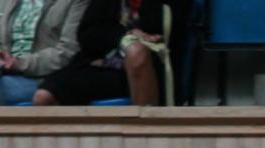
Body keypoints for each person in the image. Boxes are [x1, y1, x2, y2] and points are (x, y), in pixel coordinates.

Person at [32, 0, 168, 106]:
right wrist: (126, 34)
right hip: (100, 63)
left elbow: (168, 31)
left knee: (136, 53)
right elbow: (87, 35)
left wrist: (143, 37)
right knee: (43, 97)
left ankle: (145, 135)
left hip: (145, 68)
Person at [0, 0, 88, 106]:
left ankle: (0, 135)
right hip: (1, 70)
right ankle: (2, 135)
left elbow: (68, 52)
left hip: (41, 77)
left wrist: (19, 63)